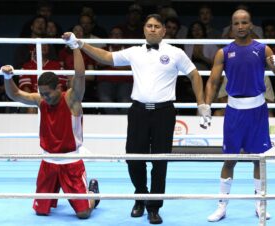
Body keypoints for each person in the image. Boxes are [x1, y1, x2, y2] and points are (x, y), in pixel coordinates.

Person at [66, 13, 208, 224]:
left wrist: (201, 103)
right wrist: (81, 43)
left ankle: (154, 206)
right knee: (133, 158)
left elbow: (194, 74)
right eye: (149, 25)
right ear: (144, 29)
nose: (152, 29)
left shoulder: (175, 53)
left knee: (160, 162)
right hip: (139, 111)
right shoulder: (134, 52)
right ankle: (141, 196)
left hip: (164, 113)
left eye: (156, 26)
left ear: (163, 31)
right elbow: (106, 57)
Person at [0, 33, 100, 219]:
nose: (44, 97)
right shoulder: (41, 101)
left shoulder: (72, 99)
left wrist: (74, 46)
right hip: (48, 162)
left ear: (58, 88)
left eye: (47, 94)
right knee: (40, 212)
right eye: (42, 94)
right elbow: (16, 95)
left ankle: (93, 192)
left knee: (84, 213)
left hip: (71, 162)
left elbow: (80, 74)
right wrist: (7, 77)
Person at [204, 9, 275, 222]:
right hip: (234, 112)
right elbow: (213, 81)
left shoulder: (262, 49)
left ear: (251, 25)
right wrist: (206, 105)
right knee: (230, 160)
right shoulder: (224, 52)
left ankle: (260, 205)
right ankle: (222, 206)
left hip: (257, 112)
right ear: (231, 26)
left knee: (259, 160)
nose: (240, 26)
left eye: (244, 22)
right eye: (236, 23)